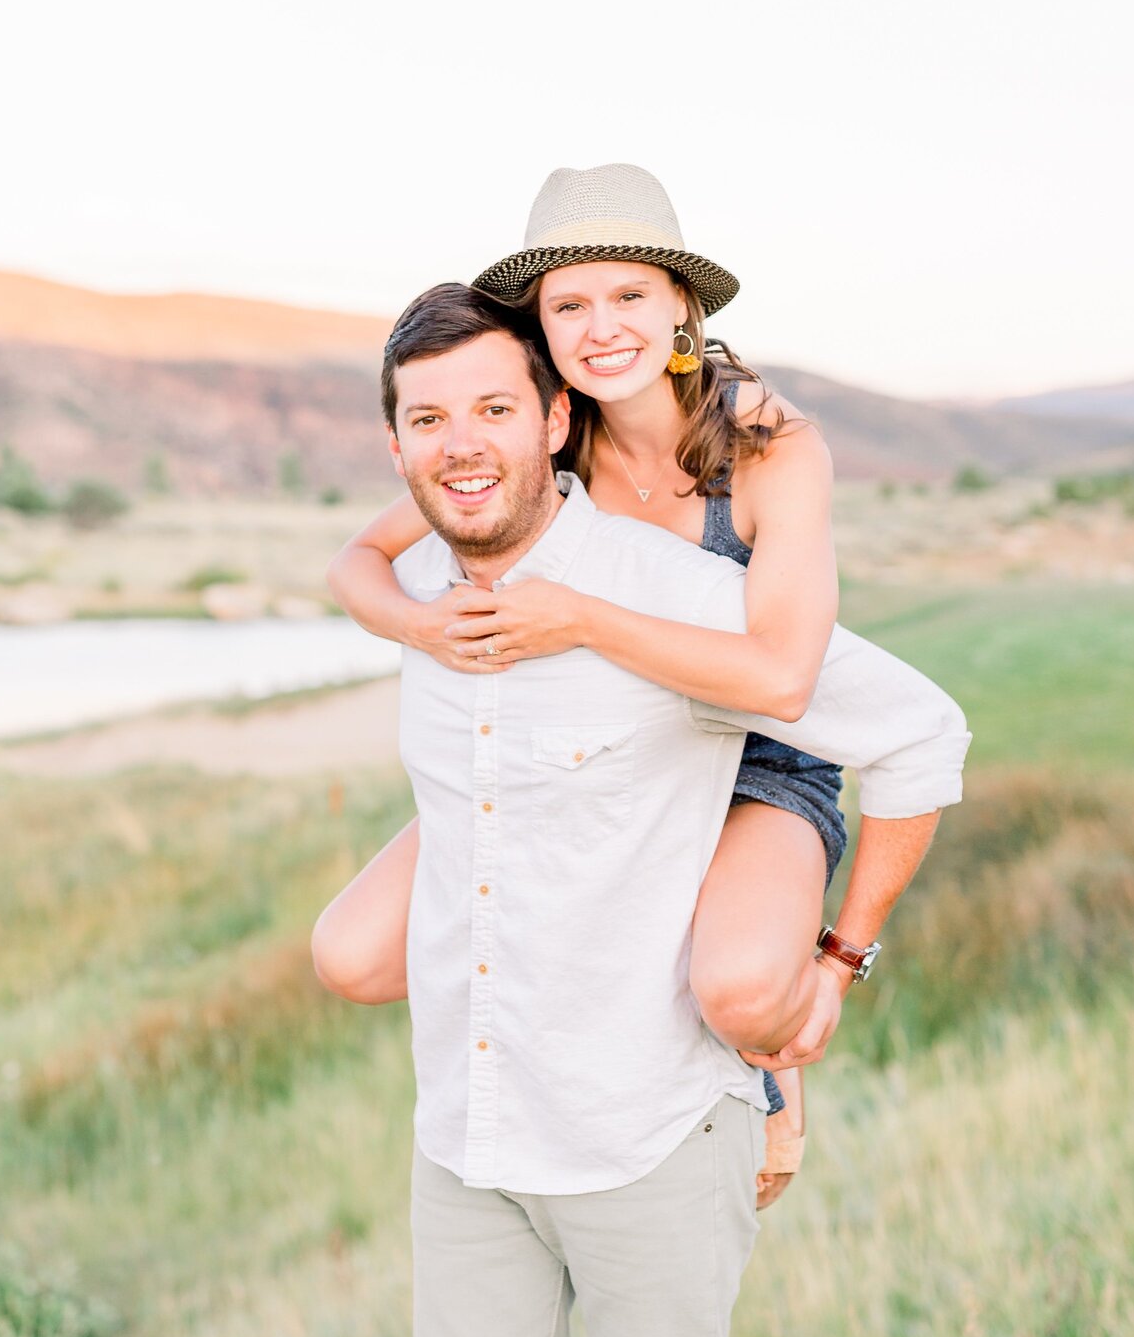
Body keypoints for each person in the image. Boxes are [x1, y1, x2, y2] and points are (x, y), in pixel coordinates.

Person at [315, 272, 968, 1337]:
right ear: (399, 452)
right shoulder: (421, 603)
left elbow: (921, 740)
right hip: (471, 1139)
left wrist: (839, 971)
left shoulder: (678, 594)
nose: (460, 440)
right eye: (426, 418)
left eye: (493, 407)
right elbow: (365, 588)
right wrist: (411, 621)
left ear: (557, 419)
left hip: (643, 1135)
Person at [320, 164, 926, 1202]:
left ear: (681, 306)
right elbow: (354, 564)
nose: (602, 328)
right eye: (570, 306)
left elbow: (782, 680)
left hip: (751, 755)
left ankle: (757, 1077)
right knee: (357, 955)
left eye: (629, 295)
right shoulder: (554, 431)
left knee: (737, 992)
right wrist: (423, 627)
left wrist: (838, 957)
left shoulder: (772, 450)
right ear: (541, 332)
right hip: (587, 752)